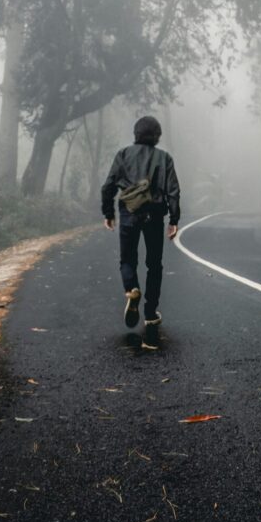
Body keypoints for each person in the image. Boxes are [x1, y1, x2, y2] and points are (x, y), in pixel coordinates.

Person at [101, 115, 180, 350]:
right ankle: (150, 312)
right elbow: (173, 191)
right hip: (155, 215)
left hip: (129, 213)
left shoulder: (123, 154)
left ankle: (131, 289)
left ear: (136, 133)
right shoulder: (164, 158)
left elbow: (108, 186)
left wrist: (108, 213)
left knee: (128, 259)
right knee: (154, 264)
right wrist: (174, 219)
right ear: (157, 136)